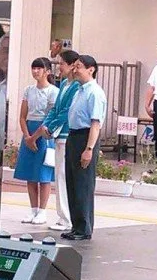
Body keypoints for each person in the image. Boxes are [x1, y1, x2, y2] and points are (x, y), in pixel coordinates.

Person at [26, 50, 81, 231]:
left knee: (63, 176)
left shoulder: (75, 87)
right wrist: (46, 126)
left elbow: (66, 112)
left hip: (65, 135)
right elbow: (55, 109)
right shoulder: (65, 83)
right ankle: (62, 216)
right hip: (55, 134)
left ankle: (67, 218)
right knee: (59, 176)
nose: (60, 68)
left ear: (72, 65)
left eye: (62, 64)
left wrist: (50, 127)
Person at [62, 55, 106, 241]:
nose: (75, 69)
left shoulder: (94, 92)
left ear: (91, 69)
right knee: (72, 182)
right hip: (73, 136)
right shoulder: (79, 90)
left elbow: (95, 123)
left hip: (85, 137)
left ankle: (84, 227)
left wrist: (89, 149)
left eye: (79, 66)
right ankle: (76, 225)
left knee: (83, 184)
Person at [14, 57, 59, 225]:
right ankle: (33, 209)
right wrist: (27, 136)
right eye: (33, 68)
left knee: (43, 175)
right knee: (30, 174)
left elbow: (50, 117)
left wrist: (35, 137)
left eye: (39, 68)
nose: (35, 71)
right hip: (29, 131)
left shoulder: (53, 91)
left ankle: (42, 211)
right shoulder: (28, 90)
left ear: (47, 71)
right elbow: (22, 116)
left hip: (44, 133)